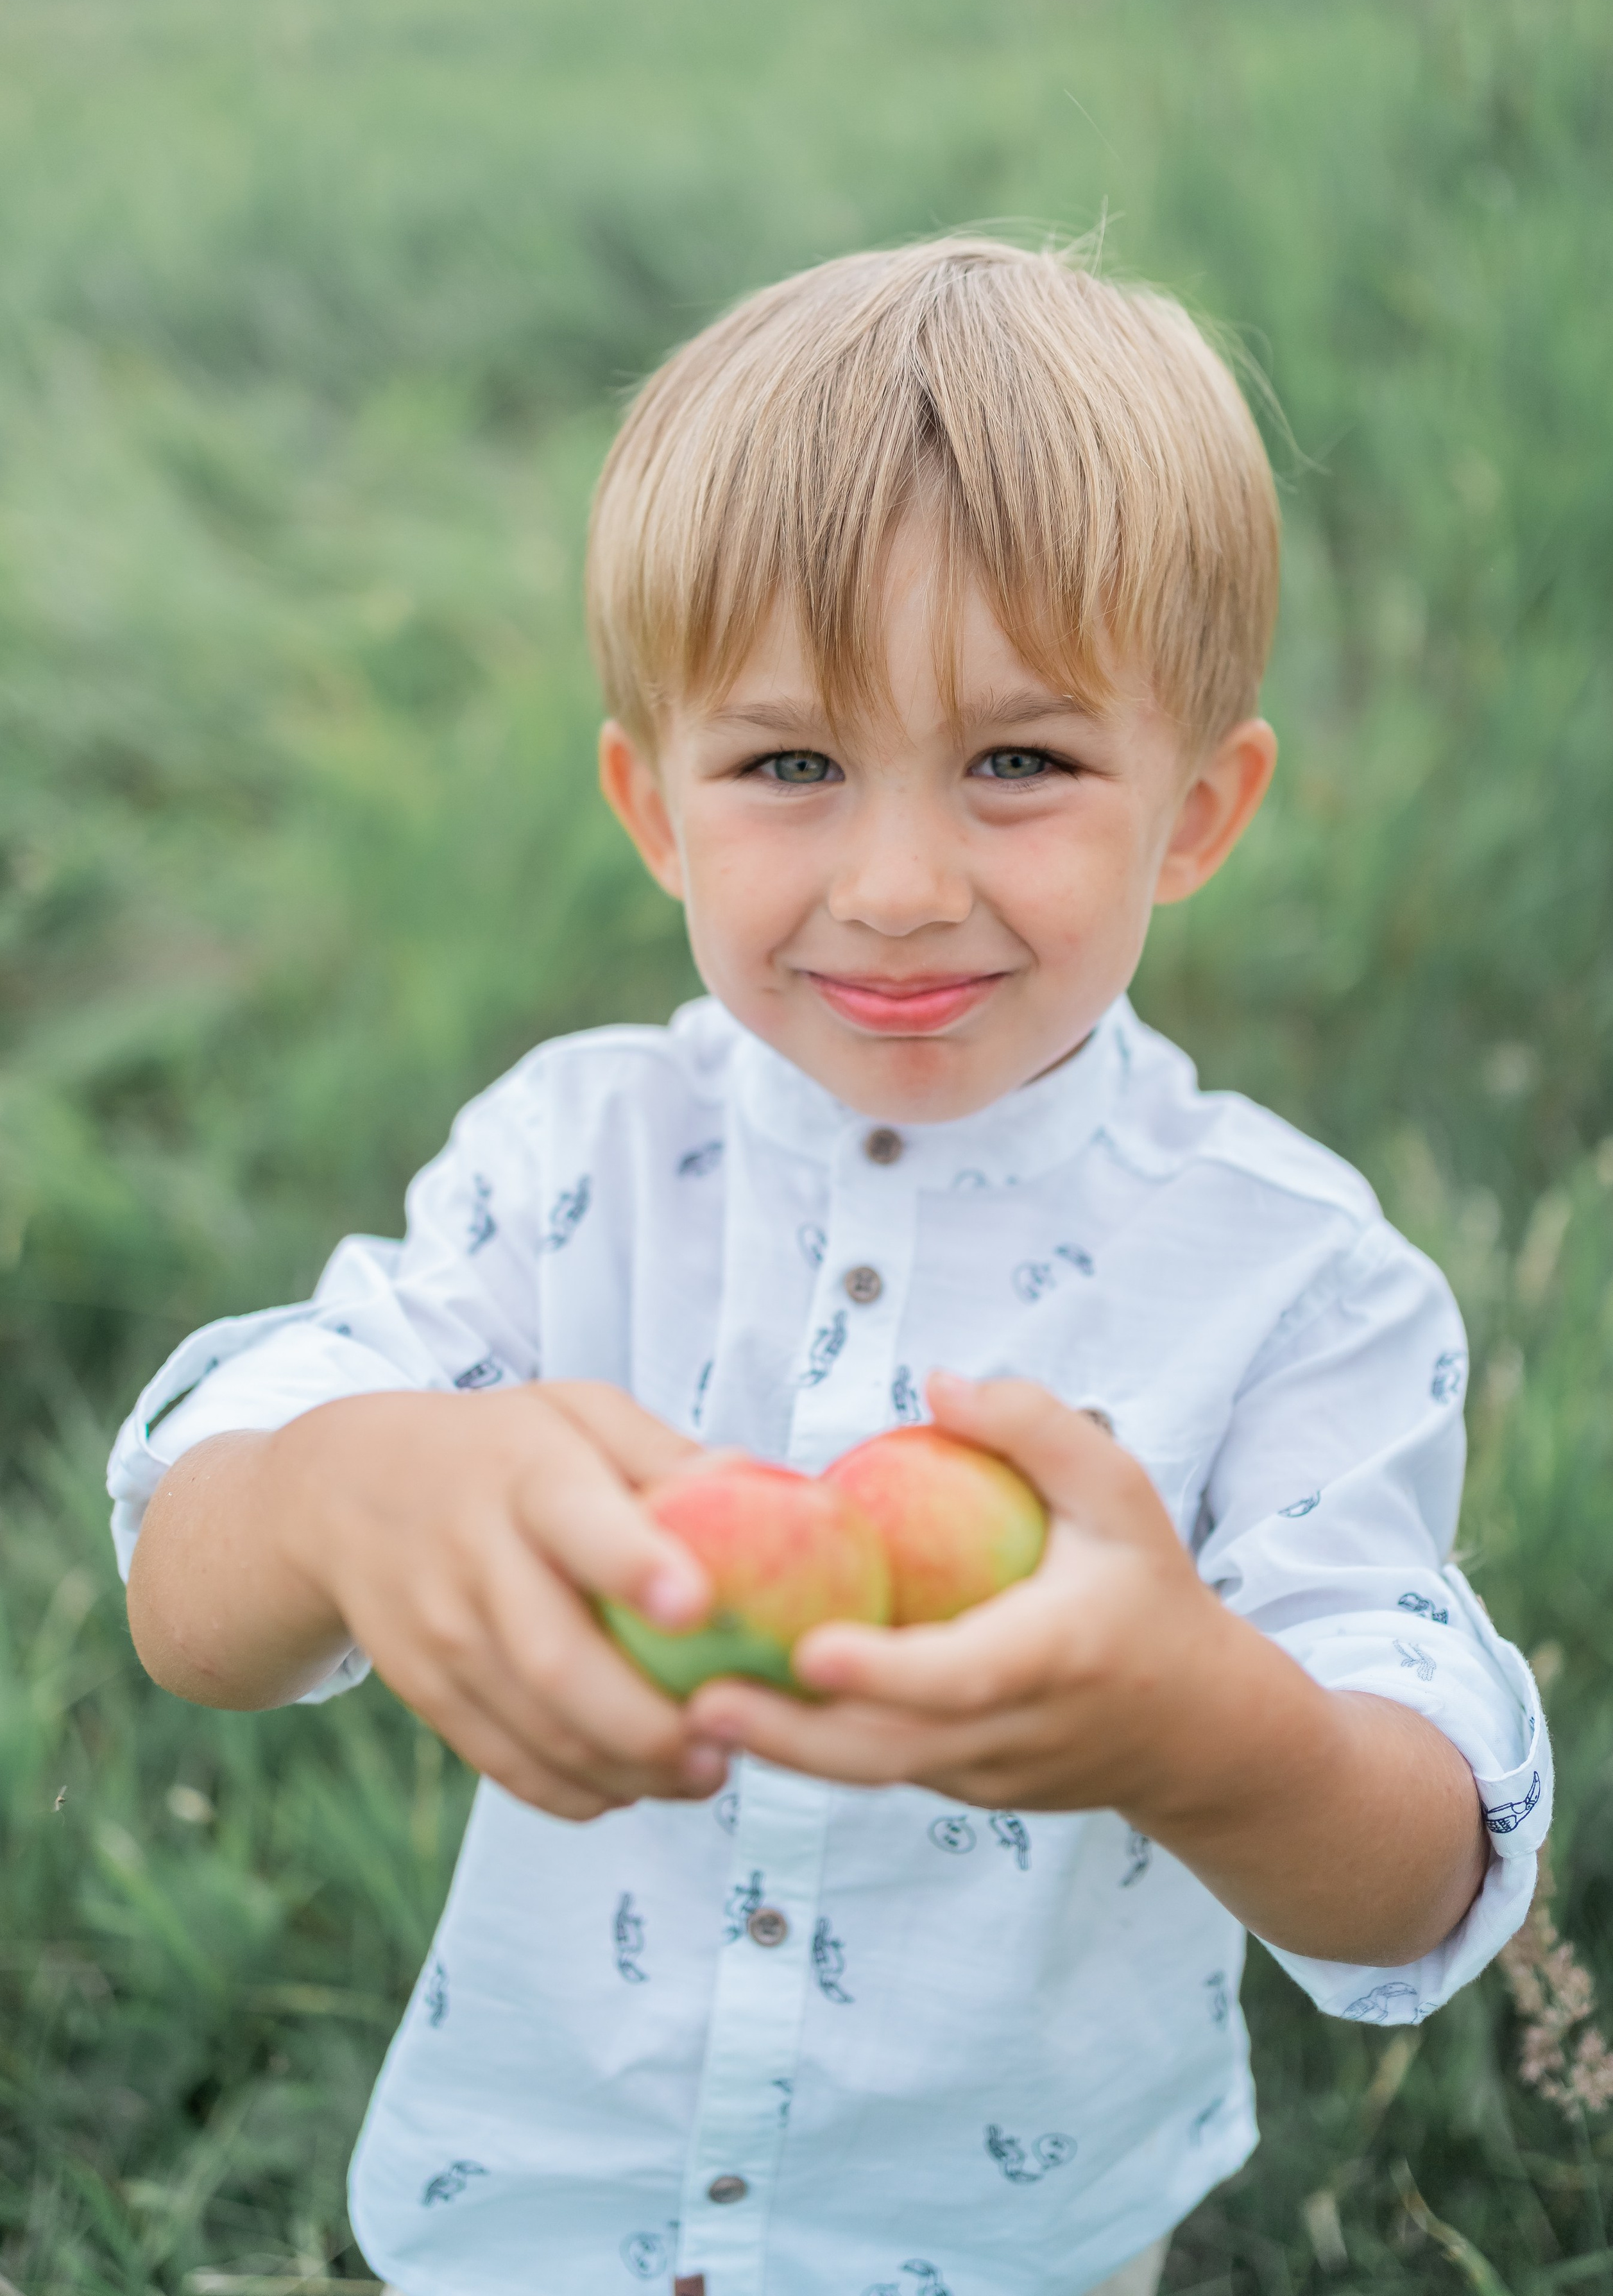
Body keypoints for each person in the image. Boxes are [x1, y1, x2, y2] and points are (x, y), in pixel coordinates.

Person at [108, 237, 1549, 2296]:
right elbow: (196, 1609)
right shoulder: (572, 1163)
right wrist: (345, 1488)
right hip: (540, 2215)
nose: (895, 886)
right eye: (790, 765)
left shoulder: (1293, 1275)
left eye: (1021, 762)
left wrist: (1195, 1731)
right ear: (652, 807)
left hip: (1012, 2241)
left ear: (1202, 808)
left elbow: (1413, 1879)